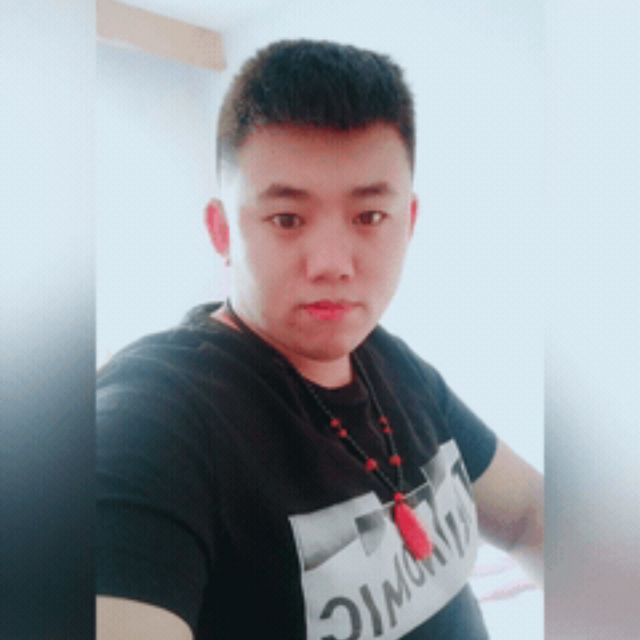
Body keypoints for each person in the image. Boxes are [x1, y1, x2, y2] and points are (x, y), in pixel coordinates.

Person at [96, 39, 543, 640]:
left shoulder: (392, 362)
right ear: (222, 231)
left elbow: (528, 514)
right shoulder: (155, 419)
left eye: (369, 217)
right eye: (287, 219)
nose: (332, 263)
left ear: (408, 223)